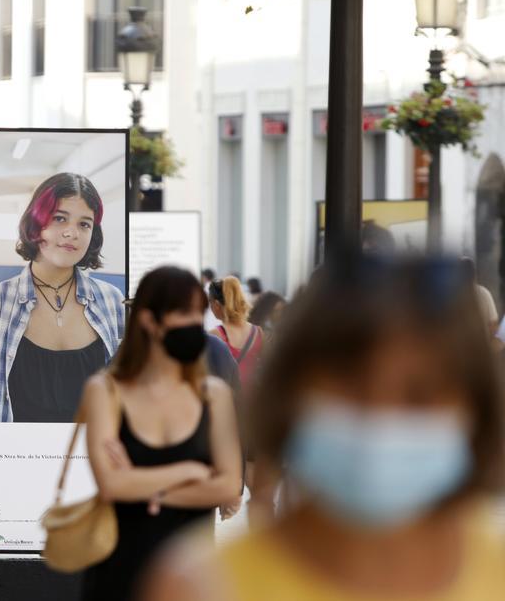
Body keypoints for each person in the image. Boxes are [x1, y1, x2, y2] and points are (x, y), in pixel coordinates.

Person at [143, 257, 505, 601]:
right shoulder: (203, 586)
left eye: (419, 395)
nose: (380, 418)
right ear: (293, 396)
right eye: (352, 387)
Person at [80, 266, 242, 601]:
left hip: (191, 576)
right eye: (183, 313)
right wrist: (193, 473)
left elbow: (227, 483)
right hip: (121, 573)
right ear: (150, 322)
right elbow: (111, 483)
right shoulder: (106, 390)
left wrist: (148, 489)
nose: (194, 324)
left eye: (198, 313)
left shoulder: (214, 394)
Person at [0, 173, 126, 423]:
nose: (71, 233)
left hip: (89, 460)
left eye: (84, 224)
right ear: (36, 223)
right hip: (12, 460)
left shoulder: (112, 303)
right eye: (59, 218)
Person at [208, 276, 263, 387]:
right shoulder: (258, 332)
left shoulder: (215, 335)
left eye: (210, 302)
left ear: (217, 304)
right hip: (255, 397)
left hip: (230, 397)